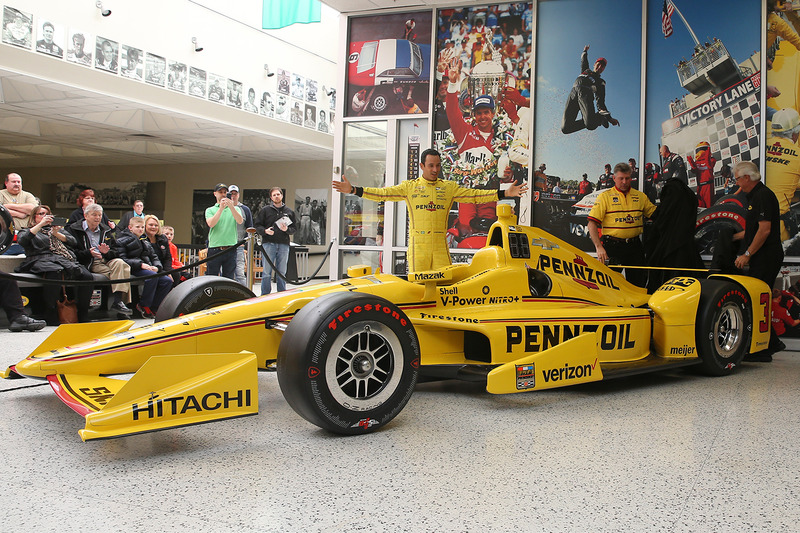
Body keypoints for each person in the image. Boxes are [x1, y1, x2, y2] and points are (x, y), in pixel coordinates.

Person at [333, 148, 528, 272]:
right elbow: (382, 194)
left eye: (437, 166)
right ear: (422, 166)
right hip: (418, 249)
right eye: (431, 166)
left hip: (441, 248)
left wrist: (505, 193)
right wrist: (354, 190)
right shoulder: (409, 187)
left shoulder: (448, 187)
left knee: (442, 287)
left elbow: (476, 195)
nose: (435, 170)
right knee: (419, 288)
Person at [730, 161, 784, 361]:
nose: (737, 183)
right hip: (762, 255)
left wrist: (747, 254)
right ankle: (770, 344)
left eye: (737, 179)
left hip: (766, 256)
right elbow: (753, 230)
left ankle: (765, 348)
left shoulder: (762, 196)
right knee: (757, 300)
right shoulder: (755, 196)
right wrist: (731, 237)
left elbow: (765, 230)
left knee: (757, 300)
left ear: (746, 177)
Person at [16, 205, 95, 325]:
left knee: (87, 276)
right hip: (39, 259)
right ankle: (51, 312)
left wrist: (57, 233)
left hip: (63, 260)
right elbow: (23, 241)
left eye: (47, 214)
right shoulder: (27, 230)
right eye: (41, 214)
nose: (45, 216)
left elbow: (73, 242)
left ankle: (83, 313)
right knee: (55, 271)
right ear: (34, 217)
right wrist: (40, 225)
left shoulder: (58, 230)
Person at [587, 161, 657, 288]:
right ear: (614, 178)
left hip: (635, 246)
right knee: (609, 287)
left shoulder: (640, 196)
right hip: (612, 247)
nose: (624, 182)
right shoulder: (604, 197)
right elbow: (591, 224)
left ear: (631, 177)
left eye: (627, 178)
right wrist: (598, 247)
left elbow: (657, 215)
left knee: (638, 285)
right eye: (621, 179)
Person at [67, 203, 132, 318]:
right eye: (94, 215)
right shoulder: (74, 229)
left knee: (121, 264)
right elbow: (72, 252)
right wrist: (89, 253)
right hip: (90, 261)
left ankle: (117, 302)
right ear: (86, 215)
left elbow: (116, 252)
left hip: (106, 259)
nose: (97, 218)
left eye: (99, 215)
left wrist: (106, 252)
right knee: (122, 273)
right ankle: (120, 306)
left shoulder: (105, 230)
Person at [644, 171, 703, 292]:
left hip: (668, 248)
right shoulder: (689, 196)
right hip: (687, 246)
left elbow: (663, 217)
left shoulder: (671, 192)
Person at [114, 217, 172, 319]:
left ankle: (155, 308)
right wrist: (140, 264)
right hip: (132, 268)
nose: (140, 229)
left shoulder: (144, 240)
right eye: (137, 227)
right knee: (153, 276)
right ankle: (144, 305)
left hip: (147, 267)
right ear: (130, 227)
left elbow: (154, 256)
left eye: (142, 227)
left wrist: (157, 267)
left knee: (166, 280)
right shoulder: (121, 240)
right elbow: (122, 259)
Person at [561, 45, 619, 135]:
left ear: (604, 69)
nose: (600, 67)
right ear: (594, 64)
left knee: (590, 125)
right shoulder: (586, 70)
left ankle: (599, 117)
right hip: (573, 93)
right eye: (598, 64)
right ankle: (593, 119)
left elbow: (601, 101)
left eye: (603, 66)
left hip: (585, 93)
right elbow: (584, 61)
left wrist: (609, 118)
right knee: (565, 128)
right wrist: (585, 51)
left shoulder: (600, 82)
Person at [764, 108, 800, 240]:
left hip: (748, 224)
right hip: (775, 230)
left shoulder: (761, 146)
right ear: (795, 133)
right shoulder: (798, 155)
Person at [254, 187, 296, 295]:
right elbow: (257, 225)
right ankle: (265, 295)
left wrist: (287, 230)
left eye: (278, 194)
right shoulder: (265, 210)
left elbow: (294, 228)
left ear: (282, 196)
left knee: (282, 272)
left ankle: (281, 294)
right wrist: (265, 231)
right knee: (267, 272)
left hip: (283, 245)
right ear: (271, 197)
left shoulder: (289, 212)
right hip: (269, 244)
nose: (276, 196)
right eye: (274, 195)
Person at [205, 183, 243, 280]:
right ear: (215, 194)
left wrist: (231, 207)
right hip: (215, 248)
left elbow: (240, 220)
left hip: (231, 248)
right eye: (220, 192)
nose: (223, 194)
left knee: (229, 278)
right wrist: (220, 209)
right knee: (211, 277)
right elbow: (211, 223)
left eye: (225, 192)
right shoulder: (210, 210)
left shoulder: (236, 208)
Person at [1, 173, 38, 255]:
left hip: (26, 235)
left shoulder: (28, 195)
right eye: (14, 182)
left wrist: (7, 206)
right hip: (5, 237)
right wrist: (20, 214)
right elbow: (0, 213)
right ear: (6, 183)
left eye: (19, 182)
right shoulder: (1, 194)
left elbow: (33, 209)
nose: (17, 184)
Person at [229, 185, 254, 287]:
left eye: (235, 194)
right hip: (225, 246)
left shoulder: (245, 209)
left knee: (239, 273)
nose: (233, 196)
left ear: (238, 195)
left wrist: (246, 243)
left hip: (239, 245)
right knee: (226, 274)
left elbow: (250, 227)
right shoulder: (223, 208)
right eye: (231, 194)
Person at [687, 141, 716, 209]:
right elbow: (694, 171)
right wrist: (692, 163)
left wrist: (707, 156)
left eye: (702, 149)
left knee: (709, 205)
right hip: (700, 186)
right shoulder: (697, 162)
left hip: (708, 185)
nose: (700, 152)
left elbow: (709, 165)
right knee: (700, 205)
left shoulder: (712, 159)